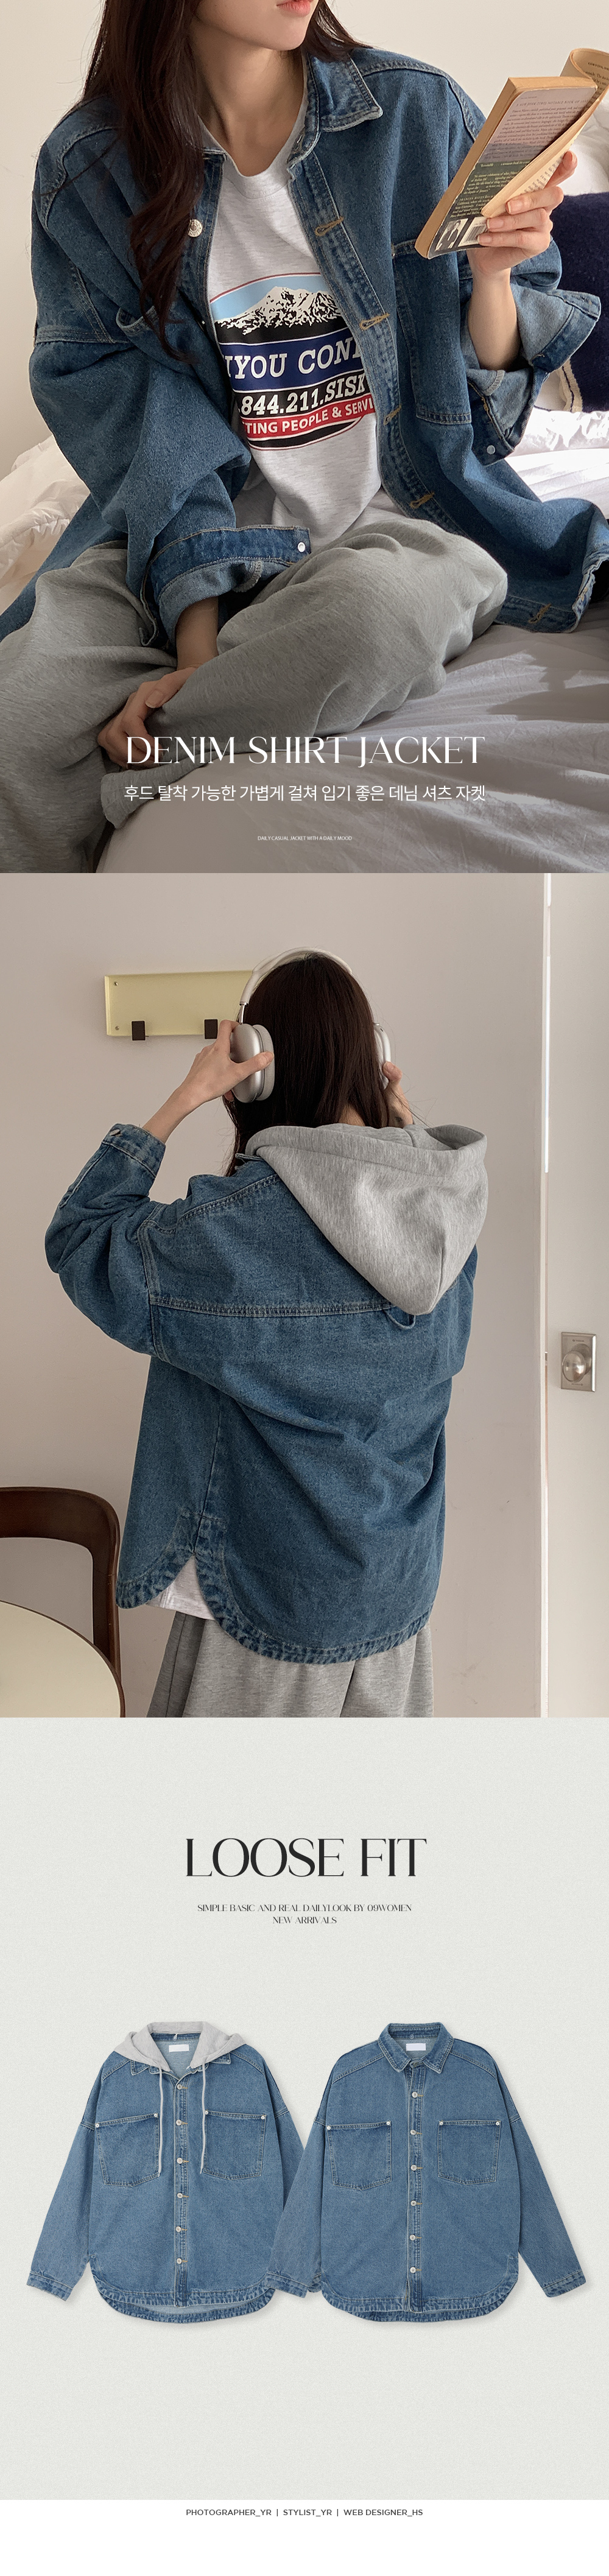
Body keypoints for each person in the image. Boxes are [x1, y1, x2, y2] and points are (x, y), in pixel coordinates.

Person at [1, 4, 607, 869]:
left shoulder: (415, 111)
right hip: (172, 543)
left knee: (375, 621)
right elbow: (145, 432)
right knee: (18, 726)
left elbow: (488, 410)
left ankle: (144, 766)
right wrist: (200, 643)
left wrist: (492, 276)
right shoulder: (92, 166)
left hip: (402, 527)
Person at [44, 951, 488, 1716]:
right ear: (373, 1060)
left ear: (258, 1069)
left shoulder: (237, 1230)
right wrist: (401, 1123)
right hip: (395, 1599)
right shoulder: (448, 1212)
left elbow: (82, 1238)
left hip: (270, 1602)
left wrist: (183, 1097)